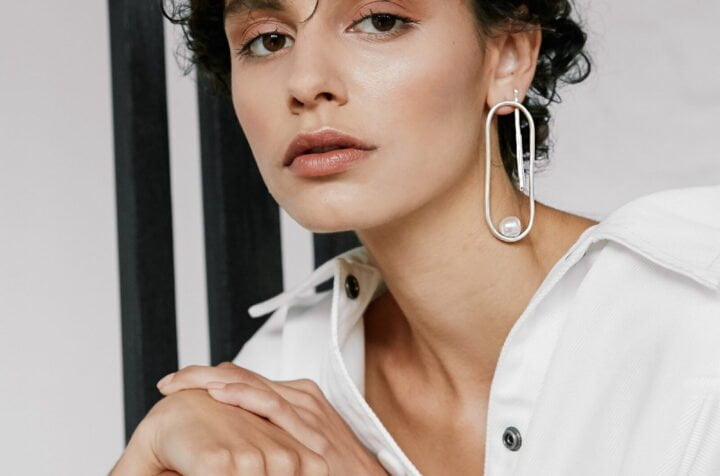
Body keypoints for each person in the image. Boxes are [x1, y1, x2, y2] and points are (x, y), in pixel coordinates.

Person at [111, 0, 720, 474]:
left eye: (379, 21)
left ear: (508, 56)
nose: (306, 82)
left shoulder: (697, 321)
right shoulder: (280, 372)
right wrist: (155, 444)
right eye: (268, 40)